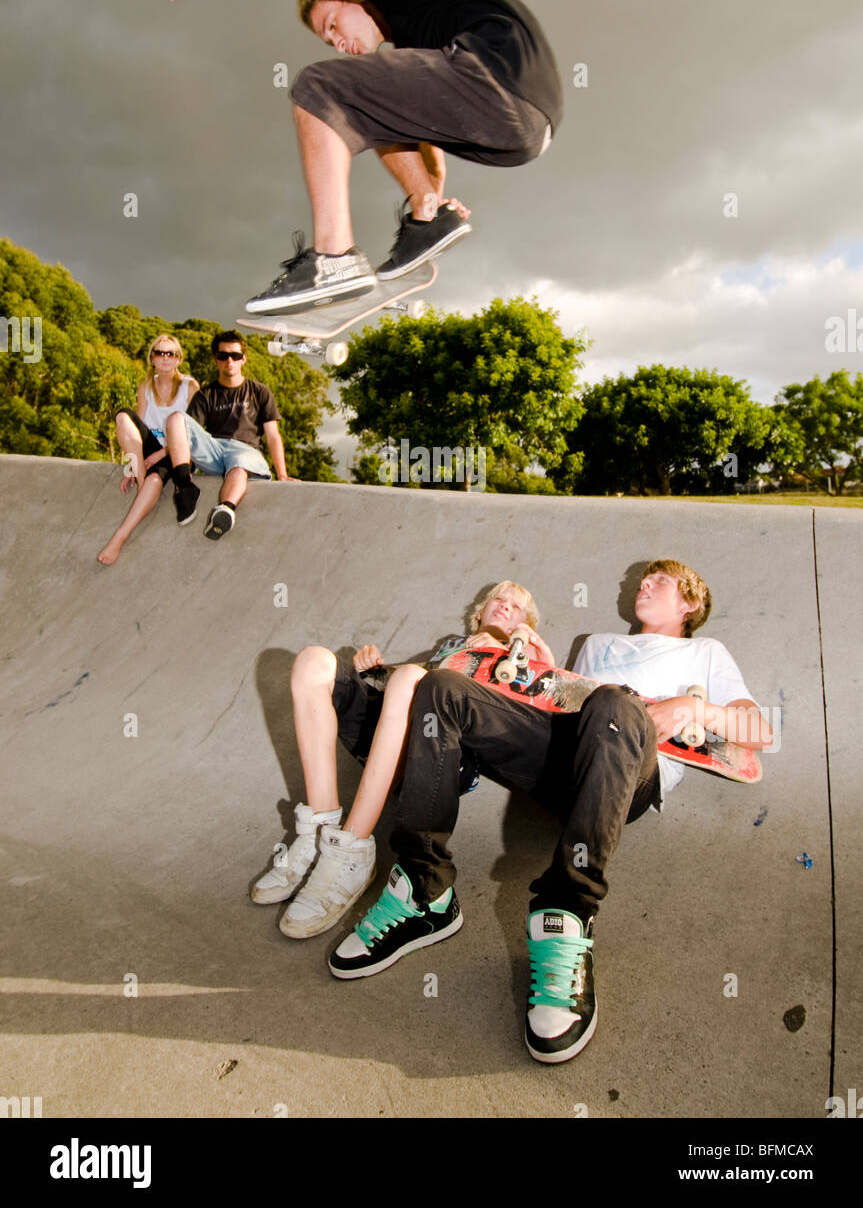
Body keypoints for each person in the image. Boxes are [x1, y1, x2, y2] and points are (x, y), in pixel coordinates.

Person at [329, 559, 773, 1068]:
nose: (644, 584)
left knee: (615, 705)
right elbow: (561, 703)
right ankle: (423, 889)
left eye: (660, 581)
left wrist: (693, 710)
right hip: (557, 760)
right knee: (440, 689)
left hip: (628, 774)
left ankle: (566, 914)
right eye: (643, 578)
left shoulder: (705, 652)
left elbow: (759, 729)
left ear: (690, 603)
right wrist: (541, 670)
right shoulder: (598, 643)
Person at [130, 0, 563, 310]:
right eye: (330, 39)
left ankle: (333, 258)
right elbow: (428, 149)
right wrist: (430, 204)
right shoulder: (418, 48)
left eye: (333, 25)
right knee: (368, 113)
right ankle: (424, 222)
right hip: (524, 127)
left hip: (498, 72)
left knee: (319, 86)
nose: (339, 43)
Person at [250, 582, 552, 940]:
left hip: (445, 755)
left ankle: (351, 851)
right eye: (498, 600)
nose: (504, 606)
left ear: (526, 626)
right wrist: (374, 673)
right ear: (479, 615)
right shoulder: (452, 645)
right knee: (313, 660)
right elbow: (400, 688)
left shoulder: (522, 660)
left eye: (516, 608)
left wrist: (527, 654)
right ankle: (317, 831)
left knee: (413, 677)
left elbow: (540, 715)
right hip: (390, 733)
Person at [165, 331, 291, 539]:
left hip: (246, 451)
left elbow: (273, 435)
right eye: (223, 356)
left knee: (239, 464)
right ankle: (185, 488)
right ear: (216, 360)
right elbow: (184, 436)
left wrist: (282, 474)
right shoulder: (206, 394)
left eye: (235, 356)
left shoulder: (259, 391)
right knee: (175, 419)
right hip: (215, 449)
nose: (229, 361)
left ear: (243, 359)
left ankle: (225, 510)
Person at [98, 334, 199, 565]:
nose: (165, 358)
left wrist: (162, 453)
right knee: (124, 416)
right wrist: (132, 466)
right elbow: (136, 428)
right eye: (160, 353)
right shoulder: (145, 386)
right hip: (151, 448)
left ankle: (118, 539)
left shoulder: (189, 386)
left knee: (157, 480)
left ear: (178, 359)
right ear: (152, 358)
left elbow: (193, 429)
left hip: (178, 452)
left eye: (170, 353)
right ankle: (143, 486)